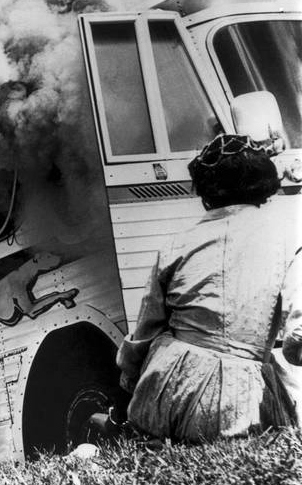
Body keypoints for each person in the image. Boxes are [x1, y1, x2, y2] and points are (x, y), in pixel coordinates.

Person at [116, 134, 301, 442]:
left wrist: (130, 385)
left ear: (205, 192)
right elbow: (297, 339)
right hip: (238, 405)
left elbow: (144, 335)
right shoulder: (289, 238)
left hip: (165, 396)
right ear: (264, 184)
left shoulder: (175, 244)